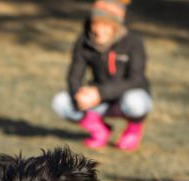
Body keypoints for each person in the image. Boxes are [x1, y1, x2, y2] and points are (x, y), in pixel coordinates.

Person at [51, 0, 152, 151]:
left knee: (135, 102)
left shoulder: (133, 42)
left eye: (105, 25)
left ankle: (133, 130)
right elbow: (74, 76)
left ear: (115, 26)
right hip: (99, 99)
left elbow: (136, 79)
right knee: (60, 102)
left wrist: (100, 93)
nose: (99, 30)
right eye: (95, 24)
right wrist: (79, 94)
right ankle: (99, 129)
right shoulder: (84, 41)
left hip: (125, 97)